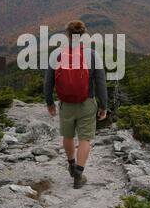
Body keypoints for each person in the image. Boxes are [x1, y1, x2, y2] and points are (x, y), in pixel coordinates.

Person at [44, 20, 108, 189]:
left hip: (66, 104)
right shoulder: (93, 55)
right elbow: (101, 82)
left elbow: (48, 81)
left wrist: (49, 102)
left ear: (67, 34)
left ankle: (71, 165)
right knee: (85, 138)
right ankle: (79, 175)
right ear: (84, 34)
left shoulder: (56, 54)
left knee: (68, 136)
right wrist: (104, 106)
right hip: (87, 102)